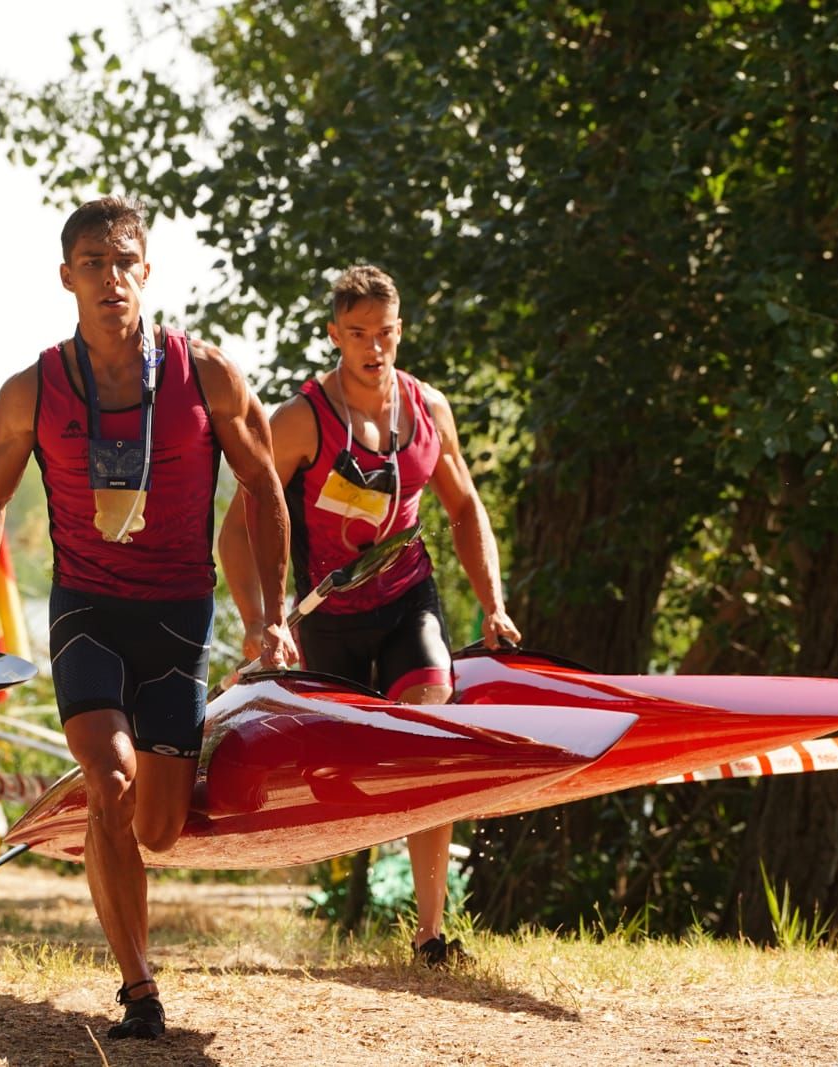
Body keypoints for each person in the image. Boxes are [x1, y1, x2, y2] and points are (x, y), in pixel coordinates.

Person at [0, 196, 295, 1040]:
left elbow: (264, 485)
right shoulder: (34, 388)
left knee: (160, 828)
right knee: (114, 778)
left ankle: (106, 805)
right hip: (88, 608)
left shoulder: (206, 374)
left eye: (123, 261)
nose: (109, 277)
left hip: (178, 616)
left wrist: (270, 615)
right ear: (67, 278)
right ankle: (139, 988)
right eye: (91, 263)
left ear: (146, 271)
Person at [219, 264, 523, 968]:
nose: (373, 347)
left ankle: (429, 931)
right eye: (357, 333)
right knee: (339, 769)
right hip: (324, 614)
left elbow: (465, 507)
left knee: (430, 723)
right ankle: (335, 893)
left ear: (400, 331)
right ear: (334, 335)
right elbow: (235, 533)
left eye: (385, 332)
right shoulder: (297, 422)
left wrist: (493, 601)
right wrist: (263, 618)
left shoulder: (427, 409)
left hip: (406, 596)